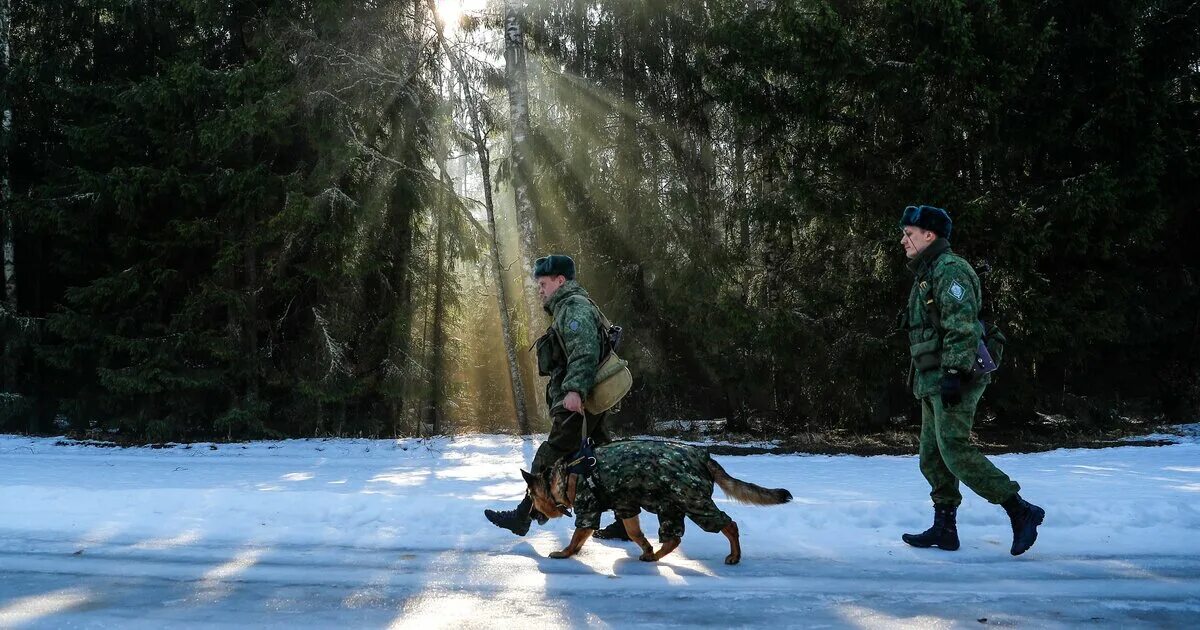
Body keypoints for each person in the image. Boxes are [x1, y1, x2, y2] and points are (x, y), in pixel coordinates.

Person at [898, 205, 1045, 556]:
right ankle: (945, 527)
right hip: (933, 378)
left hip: (954, 376)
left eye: (909, 234)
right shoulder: (926, 271)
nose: (903, 240)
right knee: (931, 456)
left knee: (955, 450)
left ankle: (1020, 510)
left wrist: (952, 373)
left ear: (929, 235)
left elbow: (961, 325)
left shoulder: (950, 270)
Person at [484, 254, 628, 540]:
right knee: (603, 460)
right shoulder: (569, 306)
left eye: (544, 283)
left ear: (560, 281)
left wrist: (574, 390)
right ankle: (626, 521)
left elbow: (584, 352)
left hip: (578, 400)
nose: (540, 289)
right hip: (587, 398)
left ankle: (523, 515)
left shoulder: (573, 308)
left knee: (549, 454)